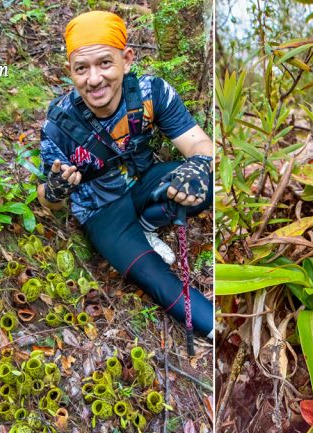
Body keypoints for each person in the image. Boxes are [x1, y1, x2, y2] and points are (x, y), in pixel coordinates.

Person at [37, 11, 212, 336]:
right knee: (156, 279)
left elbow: (198, 142)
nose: (94, 79)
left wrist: (200, 165)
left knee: (208, 181)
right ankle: (219, 329)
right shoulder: (58, 126)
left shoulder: (150, 93)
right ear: (70, 73)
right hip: (102, 213)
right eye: (81, 68)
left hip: (145, 183)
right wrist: (56, 189)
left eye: (105, 63)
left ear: (126, 59)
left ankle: (148, 225)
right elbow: (48, 201)